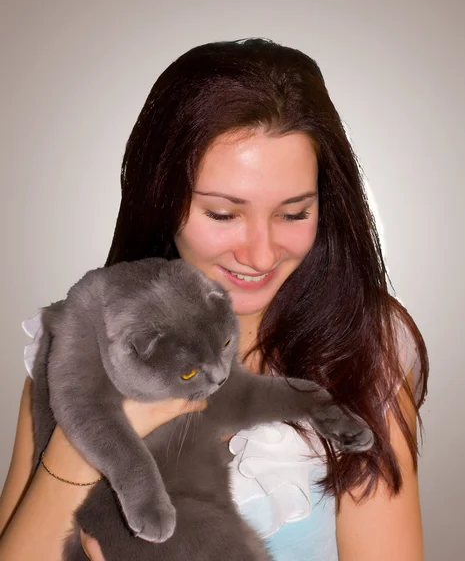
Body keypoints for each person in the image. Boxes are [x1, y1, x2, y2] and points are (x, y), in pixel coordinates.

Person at [0, 38, 428, 561]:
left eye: (293, 213)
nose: (261, 252)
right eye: (223, 214)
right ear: (162, 199)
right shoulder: (75, 341)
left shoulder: (365, 345)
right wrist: (79, 445)